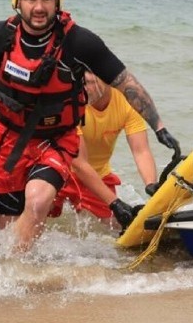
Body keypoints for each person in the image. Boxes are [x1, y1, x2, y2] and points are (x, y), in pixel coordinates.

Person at [0, 0, 182, 252]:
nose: (39, 7)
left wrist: (159, 127)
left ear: (57, 1)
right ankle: (15, 278)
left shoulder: (80, 42)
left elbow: (126, 83)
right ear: (17, 0)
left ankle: (15, 268)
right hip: (8, 141)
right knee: (8, 233)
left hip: (56, 141)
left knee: (37, 201)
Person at [51, 70, 160, 221]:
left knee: (116, 227)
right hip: (59, 173)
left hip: (98, 177)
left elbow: (141, 151)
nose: (84, 88)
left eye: (89, 83)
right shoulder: (72, 103)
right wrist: (114, 202)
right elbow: (79, 164)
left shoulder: (126, 102)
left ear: (108, 81)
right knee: (40, 218)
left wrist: (151, 184)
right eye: (81, 83)